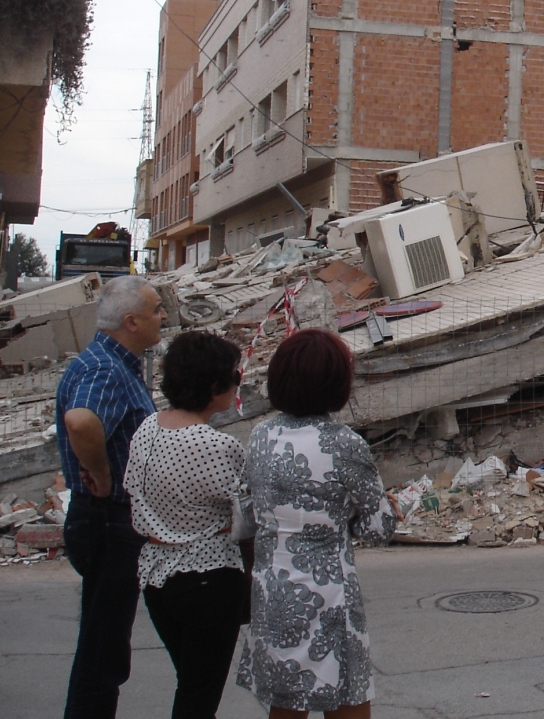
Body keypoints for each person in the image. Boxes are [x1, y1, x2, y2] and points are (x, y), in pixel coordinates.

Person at [237, 329, 395, 719]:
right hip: (328, 596)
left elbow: (249, 510)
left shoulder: (261, 435)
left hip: (274, 591)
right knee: (346, 695)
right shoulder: (344, 444)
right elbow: (378, 527)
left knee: (286, 701)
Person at [56, 275, 167, 719]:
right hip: (106, 518)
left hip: (112, 520)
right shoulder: (104, 368)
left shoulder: (118, 364)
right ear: (131, 321)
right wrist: (100, 474)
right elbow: (82, 421)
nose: (163, 316)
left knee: (104, 644)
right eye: (157, 309)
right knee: (103, 650)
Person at [124, 331, 250, 719]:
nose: (238, 385)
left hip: (157, 577)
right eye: (236, 377)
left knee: (192, 684)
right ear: (215, 386)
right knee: (199, 695)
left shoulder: (148, 428)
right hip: (208, 579)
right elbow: (248, 512)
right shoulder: (215, 445)